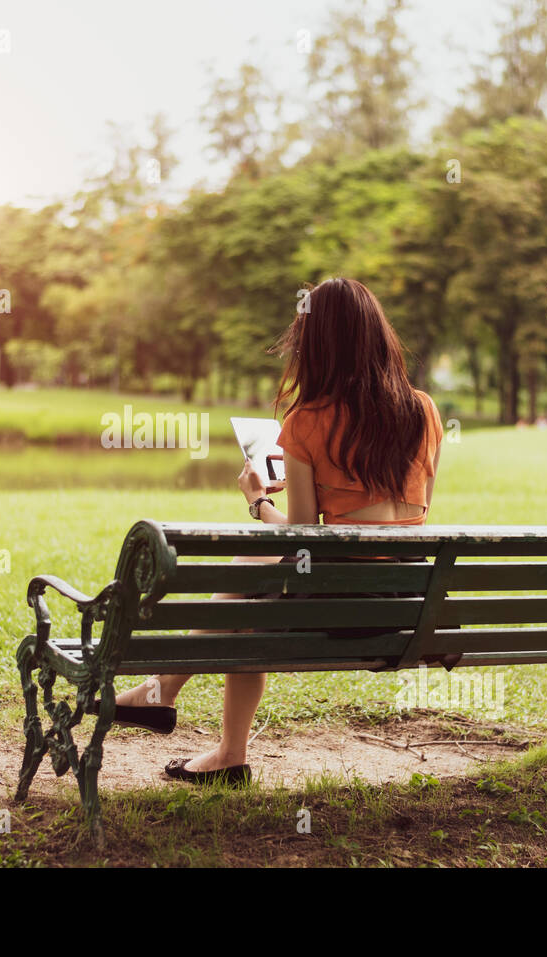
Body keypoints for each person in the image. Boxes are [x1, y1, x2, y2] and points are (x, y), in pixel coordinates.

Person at [112, 277, 443, 784]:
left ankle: (176, 705)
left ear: (318, 345)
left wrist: (259, 500)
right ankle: (197, 727)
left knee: (250, 583)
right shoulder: (424, 412)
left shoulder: (308, 420)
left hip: (341, 611)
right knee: (253, 576)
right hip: (407, 608)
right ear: (378, 336)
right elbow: (405, 512)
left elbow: (302, 539)